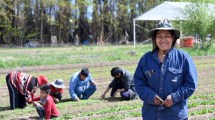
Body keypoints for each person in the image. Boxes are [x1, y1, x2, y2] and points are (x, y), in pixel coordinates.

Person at [134, 19, 198, 120]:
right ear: (155, 39)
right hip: (151, 115)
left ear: (173, 38)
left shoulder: (183, 58)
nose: (163, 40)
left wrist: (174, 97)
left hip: (175, 115)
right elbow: (138, 83)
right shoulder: (146, 59)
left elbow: (191, 84)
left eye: (167, 36)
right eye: (159, 36)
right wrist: (150, 96)